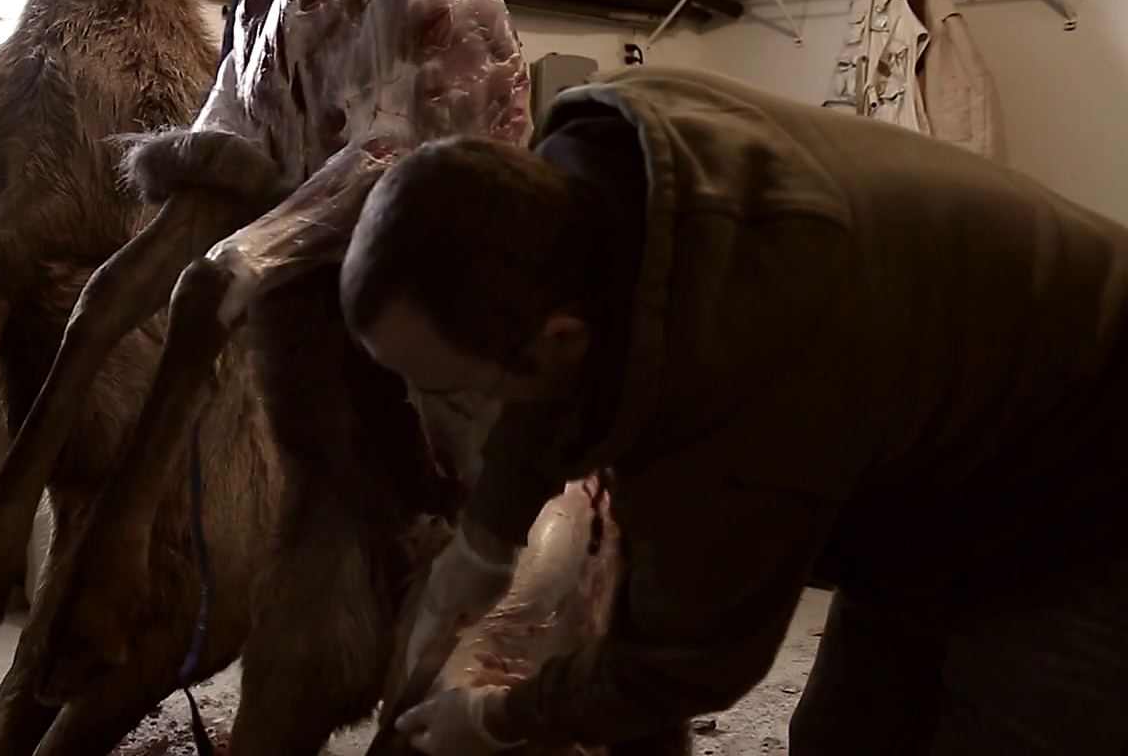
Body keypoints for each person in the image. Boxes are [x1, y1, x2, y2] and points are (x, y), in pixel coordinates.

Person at [341, 65, 1128, 755]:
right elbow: (551, 379)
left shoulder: (741, 385)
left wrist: (498, 720)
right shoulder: (598, 174)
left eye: (459, 390)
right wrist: (485, 539)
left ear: (559, 340)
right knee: (845, 738)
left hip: (1093, 487)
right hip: (935, 459)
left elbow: (683, 662)